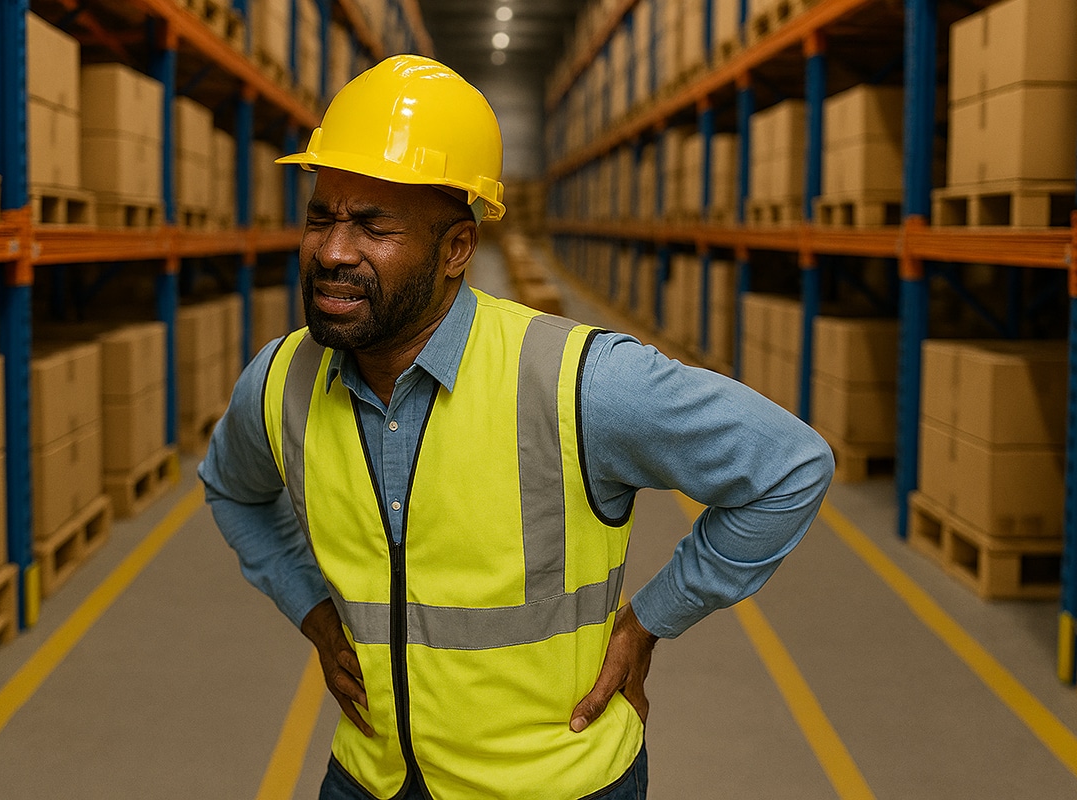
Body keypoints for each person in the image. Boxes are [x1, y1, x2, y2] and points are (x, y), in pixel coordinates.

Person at [198, 54, 834, 800]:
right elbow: (232, 491)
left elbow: (789, 466)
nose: (334, 252)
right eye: (321, 217)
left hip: (553, 783)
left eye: (374, 225)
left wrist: (651, 620)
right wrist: (311, 611)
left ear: (457, 250)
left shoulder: (577, 380)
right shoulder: (281, 380)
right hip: (372, 773)